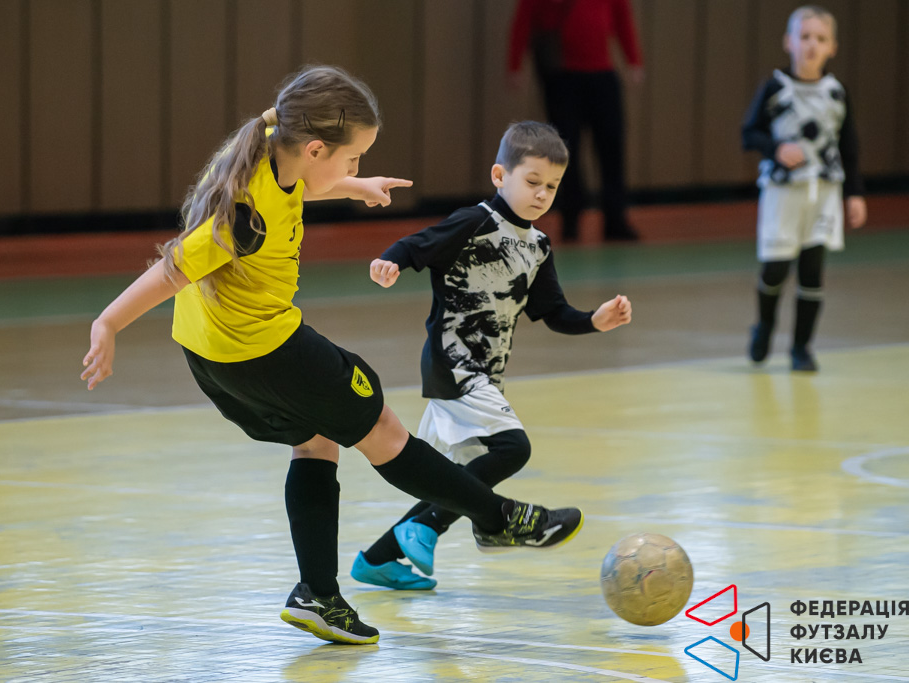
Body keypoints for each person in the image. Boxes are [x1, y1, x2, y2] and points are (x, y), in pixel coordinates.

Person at [80, 66, 586, 646]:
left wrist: (352, 186)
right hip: (266, 349)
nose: (355, 167)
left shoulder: (268, 146)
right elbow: (174, 268)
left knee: (317, 440)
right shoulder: (246, 215)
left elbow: (301, 185)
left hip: (212, 357)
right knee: (383, 430)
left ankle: (317, 596)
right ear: (317, 148)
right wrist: (107, 323)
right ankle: (499, 520)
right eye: (353, 159)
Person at [352, 121, 631, 590]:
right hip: (452, 362)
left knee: (461, 480)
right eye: (533, 181)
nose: (542, 194)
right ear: (500, 176)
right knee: (512, 448)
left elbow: (553, 312)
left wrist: (593, 321)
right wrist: (391, 261)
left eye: (552, 187)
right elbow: (418, 245)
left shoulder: (538, 247)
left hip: (486, 373)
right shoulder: (475, 223)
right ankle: (462, 526)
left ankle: (378, 559)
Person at [741, 5, 866, 372]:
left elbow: (849, 146)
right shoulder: (775, 87)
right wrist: (776, 149)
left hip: (823, 192)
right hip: (783, 192)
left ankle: (801, 347)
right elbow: (749, 133)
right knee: (776, 268)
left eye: (820, 38)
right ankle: (764, 325)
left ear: (832, 47)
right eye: (805, 36)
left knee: (812, 271)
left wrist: (854, 193)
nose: (812, 44)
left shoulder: (836, 93)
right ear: (789, 42)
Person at [507, 0, 644, 243]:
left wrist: (633, 59)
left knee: (611, 148)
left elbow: (622, 20)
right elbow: (525, 20)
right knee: (565, 151)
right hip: (563, 78)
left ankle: (615, 219)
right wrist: (515, 63)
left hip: (602, 75)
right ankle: (570, 217)